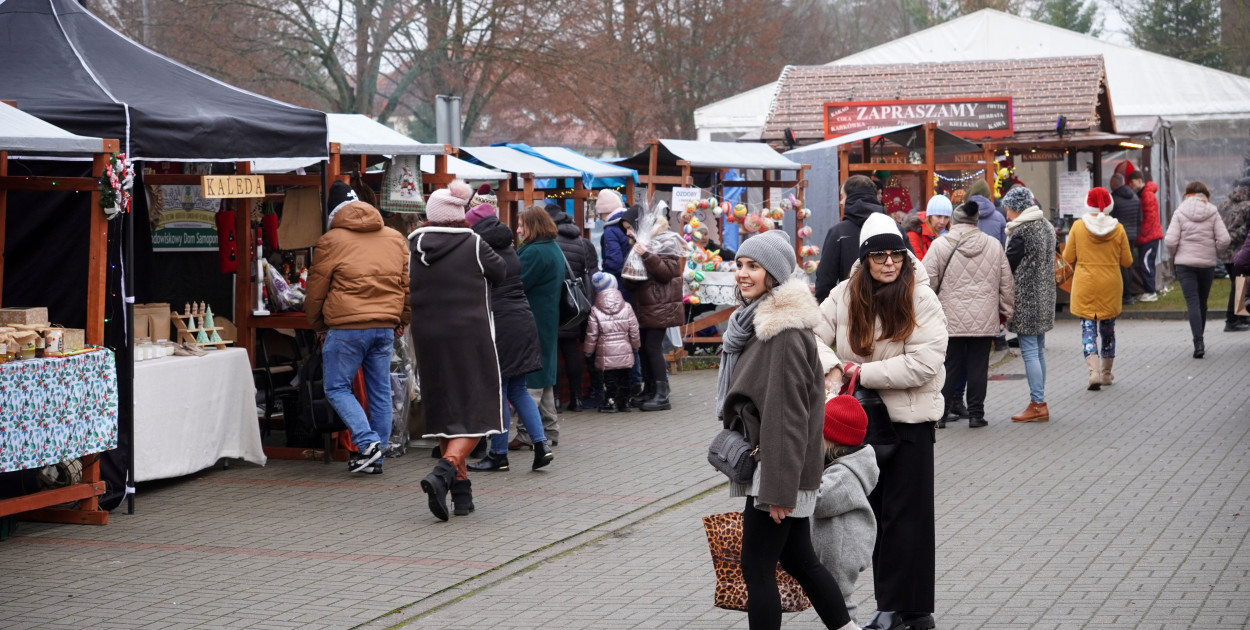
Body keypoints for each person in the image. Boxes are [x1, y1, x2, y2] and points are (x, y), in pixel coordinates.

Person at [813, 212, 947, 630]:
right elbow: (809, 335)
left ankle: (901, 608)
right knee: (868, 513)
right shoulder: (844, 293)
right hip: (860, 423)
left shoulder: (922, 297)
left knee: (907, 518)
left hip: (909, 422)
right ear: (864, 259)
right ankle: (907, 609)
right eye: (879, 256)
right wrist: (833, 364)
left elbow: (925, 363)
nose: (889, 262)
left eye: (896, 254)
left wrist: (858, 373)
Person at [718, 229, 857, 630]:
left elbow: (787, 417)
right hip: (782, 467)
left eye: (754, 267)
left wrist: (780, 492)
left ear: (774, 276)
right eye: (740, 264)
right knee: (799, 559)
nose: (743, 273)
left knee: (756, 569)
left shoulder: (781, 333)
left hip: (778, 471)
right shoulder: (757, 323)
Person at [409, 180, 507, 521]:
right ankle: (445, 470)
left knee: (445, 409)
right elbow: (501, 271)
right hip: (470, 334)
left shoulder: (414, 244)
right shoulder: (474, 242)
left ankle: (461, 496)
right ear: (459, 212)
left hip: (427, 336)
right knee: (478, 407)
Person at [305, 181, 410, 475]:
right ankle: (375, 457)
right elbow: (406, 285)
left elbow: (316, 289)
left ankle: (367, 443)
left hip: (346, 327)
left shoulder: (330, 240)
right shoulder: (394, 237)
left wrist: (317, 323)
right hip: (384, 328)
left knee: (337, 387)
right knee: (379, 390)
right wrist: (401, 319)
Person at [463, 203, 553, 473]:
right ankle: (541, 445)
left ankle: (499, 453)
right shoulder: (513, 254)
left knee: (498, 391)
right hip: (523, 323)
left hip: (501, 327)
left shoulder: (487, 259)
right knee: (518, 389)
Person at [922, 200, 1014, 429]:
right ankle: (976, 414)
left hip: (948, 318)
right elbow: (1007, 283)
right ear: (976, 221)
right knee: (978, 366)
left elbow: (925, 280)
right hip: (984, 317)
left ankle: (940, 415)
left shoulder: (941, 245)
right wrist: (1006, 311)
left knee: (948, 365)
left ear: (955, 219)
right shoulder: (993, 245)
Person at [812, 386, 879, 626]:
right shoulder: (840, 463)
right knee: (833, 599)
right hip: (836, 543)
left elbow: (819, 501)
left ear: (830, 438)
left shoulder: (845, 474)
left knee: (840, 600)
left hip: (842, 548)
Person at [1063, 187, 1133, 391]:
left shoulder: (1077, 227)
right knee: (1108, 330)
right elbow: (1127, 261)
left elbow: (1068, 258)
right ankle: (1106, 373)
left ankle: (1092, 373)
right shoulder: (1118, 228)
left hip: (1085, 284)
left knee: (1088, 329)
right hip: (1110, 284)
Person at [511, 206, 567, 450]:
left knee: (531, 378)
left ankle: (527, 433)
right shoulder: (552, 247)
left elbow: (515, 284)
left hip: (531, 319)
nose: (519, 229)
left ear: (533, 226)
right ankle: (550, 429)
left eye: (522, 225)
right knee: (544, 377)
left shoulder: (534, 252)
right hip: (547, 318)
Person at [1001, 186, 1056, 423]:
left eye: (1008, 208)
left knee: (1030, 351)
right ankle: (1039, 400)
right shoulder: (1045, 225)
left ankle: (1037, 403)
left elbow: (1008, 265)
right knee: (1039, 350)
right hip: (1045, 296)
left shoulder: (1022, 230)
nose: (1006, 214)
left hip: (1026, 298)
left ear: (1016, 207)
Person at [1165, 181, 1231, 359]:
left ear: (1188, 194)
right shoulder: (1213, 211)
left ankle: (1198, 341)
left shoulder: (1180, 211)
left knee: (1192, 302)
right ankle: (1200, 339)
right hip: (1207, 265)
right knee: (1202, 301)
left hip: (1185, 265)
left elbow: (1170, 241)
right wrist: (1214, 251)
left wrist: (1176, 253)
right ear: (1205, 195)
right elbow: (1225, 239)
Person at [627, 212, 685, 412]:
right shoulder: (642, 244)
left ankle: (662, 393)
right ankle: (651, 388)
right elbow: (633, 277)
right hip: (644, 304)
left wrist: (645, 254)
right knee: (643, 348)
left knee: (653, 347)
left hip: (660, 305)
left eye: (631, 227)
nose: (628, 231)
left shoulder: (666, 243)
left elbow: (668, 272)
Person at [548, 201, 600, 412]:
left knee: (553, 354)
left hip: (555, 302)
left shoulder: (550, 242)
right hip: (575, 304)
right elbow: (591, 273)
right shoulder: (582, 242)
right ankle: (577, 399)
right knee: (571, 350)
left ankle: (557, 399)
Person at [815, 175, 885, 302]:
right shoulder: (893, 229)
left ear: (851, 198)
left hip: (850, 312)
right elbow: (913, 271)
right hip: (892, 312)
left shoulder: (838, 233)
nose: (841, 202)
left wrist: (826, 315)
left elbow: (824, 282)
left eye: (842, 196)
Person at [582, 272, 640, 414]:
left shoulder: (595, 310)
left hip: (606, 352)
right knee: (625, 376)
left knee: (610, 378)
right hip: (625, 350)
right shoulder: (627, 307)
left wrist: (588, 351)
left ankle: (611, 401)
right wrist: (635, 345)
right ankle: (625, 401)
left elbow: (592, 334)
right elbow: (634, 329)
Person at [1218, 177, 1250, 331]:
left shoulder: (1224, 204)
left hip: (1224, 252)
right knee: (1239, 285)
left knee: (1238, 284)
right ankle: (1231, 320)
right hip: (1240, 251)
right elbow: (1246, 230)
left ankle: (1242, 317)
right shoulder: (1247, 206)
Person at [1129, 171, 1163, 302]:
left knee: (1145, 264)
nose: (1131, 186)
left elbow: (1149, 218)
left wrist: (1140, 235)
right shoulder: (1145, 194)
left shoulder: (1147, 195)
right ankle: (1149, 290)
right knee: (1147, 263)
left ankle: (1150, 292)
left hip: (1149, 237)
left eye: (1132, 183)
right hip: (1150, 236)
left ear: (1139, 180)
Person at [1109, 173, 1142, 305]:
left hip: (1119, 236)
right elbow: (1140, 219)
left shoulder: (1113, 200)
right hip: (1132, 236)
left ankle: (1125, 295)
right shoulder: (1135, 197)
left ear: (1113, 184)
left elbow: (1110, 220)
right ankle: (1128, 294)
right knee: (1128, 265)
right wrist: (1135, 232)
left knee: (1119, 266)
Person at [902, 195, 952, 260]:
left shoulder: (953, 234)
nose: (942, 222)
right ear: (929, 216)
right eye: (938, 216)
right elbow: (917, 266)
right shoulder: (914, 235)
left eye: (946, 217)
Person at [596, 189, 629, 282]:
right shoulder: (629, 222)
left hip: (618, 281)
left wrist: (605, 277)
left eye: (600, 214)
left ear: (606, 211)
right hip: (632, 279)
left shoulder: (610, 230)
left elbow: (614, 261)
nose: (600, 218)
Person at [966, 179, 1006, 246]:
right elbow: (1004, 245)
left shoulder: (961, 215)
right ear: (988, 195)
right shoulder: (999, 217)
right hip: (994, 255)